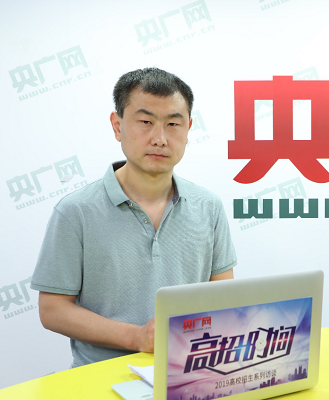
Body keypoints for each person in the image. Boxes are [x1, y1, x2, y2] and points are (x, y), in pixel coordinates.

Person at [31, 68, 237, 368]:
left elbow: (224, 298)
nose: (160, 139)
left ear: (188, 129)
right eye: (145, 122)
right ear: (117, 126)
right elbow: (52, 310)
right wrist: (135, 337)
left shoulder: (209, 206)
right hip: (101, 378)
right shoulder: (76, 211)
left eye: (173, 124)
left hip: (188, 372)